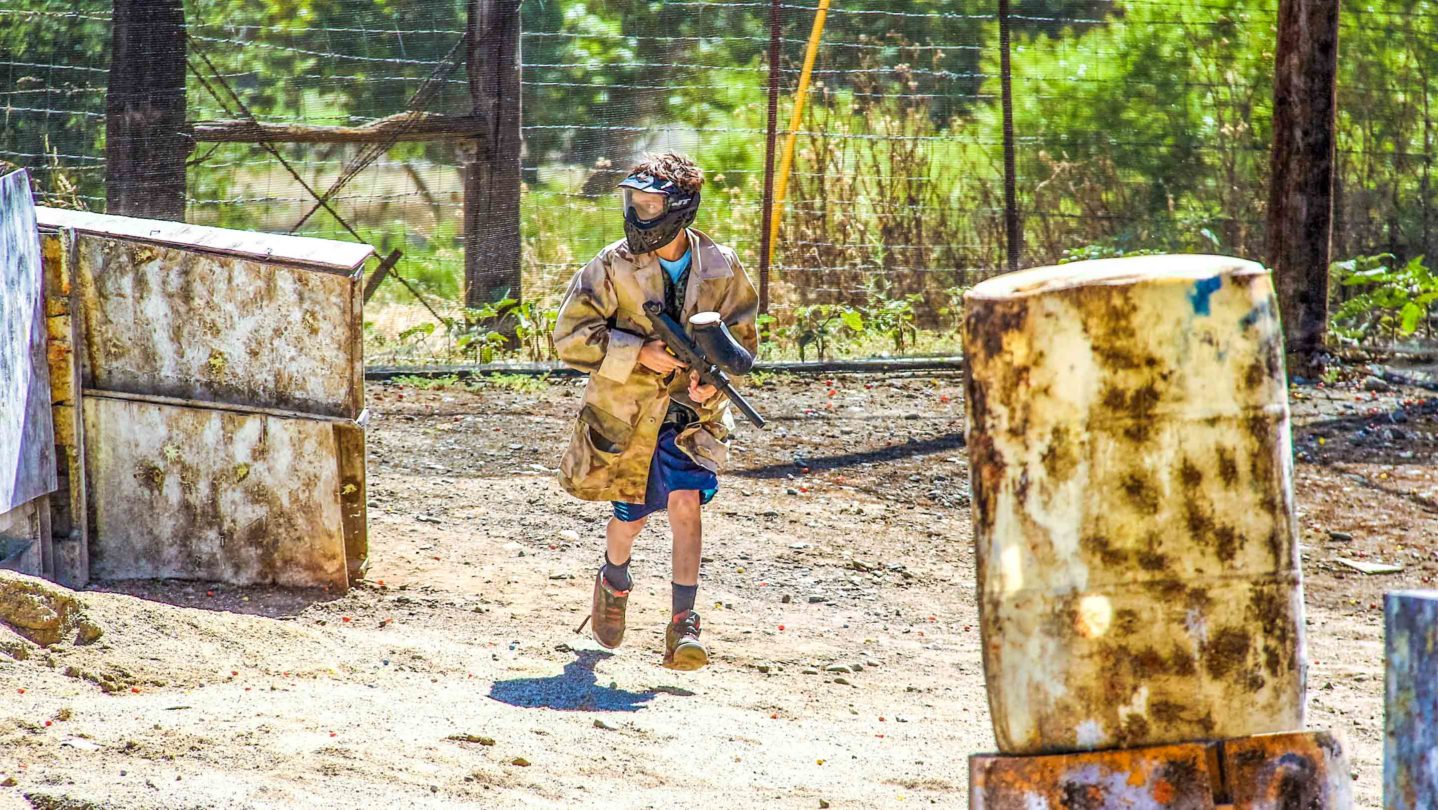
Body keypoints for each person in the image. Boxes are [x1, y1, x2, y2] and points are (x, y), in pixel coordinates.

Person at [552, 152, 759, 671]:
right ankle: (614, 579)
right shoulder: (609, 265)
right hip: (627, 414)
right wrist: (637, 351)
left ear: (680, 208)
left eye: (651, 204)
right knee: (632, 518)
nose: (640, 213)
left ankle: (683, 625)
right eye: (635, 203)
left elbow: (742, 337)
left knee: (686, 505)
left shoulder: (720, 265)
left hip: (691, 415)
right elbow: (570, 339)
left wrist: (714, 385)